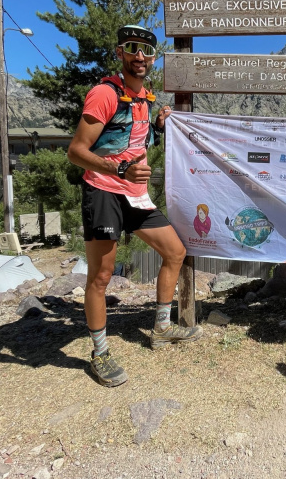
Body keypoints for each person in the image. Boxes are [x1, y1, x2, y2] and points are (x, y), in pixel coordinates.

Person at [67, 25, 202, 387]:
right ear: (120, 53)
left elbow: (132, 140)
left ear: (153, 58)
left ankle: (160, 327)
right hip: (104, 191)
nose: (139, 56)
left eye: (145, 50)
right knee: (101, 276)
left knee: (175, 251)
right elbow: (77, 151)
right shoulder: (104, 93)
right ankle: (100, 353)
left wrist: (157, 127)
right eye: (132, 48)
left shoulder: (144, 98)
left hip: (135, 194)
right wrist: (120, 168)